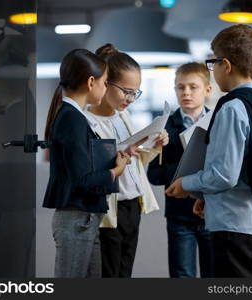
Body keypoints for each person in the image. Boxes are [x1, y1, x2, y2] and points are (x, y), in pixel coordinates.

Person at [166, 24, 252, 278]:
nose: (213, 72)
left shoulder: (232, 108)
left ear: (226, 65)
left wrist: (187, 183)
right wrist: (206, 198)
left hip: (232, 229)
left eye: (213, 64)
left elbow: (225, 174)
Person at [42, 49, 130, 278]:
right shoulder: (72, 118)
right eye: (104, 82)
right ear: (91, 82)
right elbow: (82, 179)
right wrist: (115, 171)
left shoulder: (73, 116)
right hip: (76, 219)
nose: (105, 88)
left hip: (84, 218)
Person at [85, 43, 169, 278]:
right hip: (110, 210)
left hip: (133, 205)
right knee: (109, 272)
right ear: (104, 82)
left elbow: (136, 162)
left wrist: (153, 145)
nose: (131, 98)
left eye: (135, 92)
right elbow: (95, 169)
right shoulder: (88, 120)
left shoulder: (123, 116)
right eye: (126, 91)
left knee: (125, 271)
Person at [147, 62, 214, 278]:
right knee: (181, 275)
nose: (186, 93)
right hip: (179, 216)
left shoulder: (218, 121)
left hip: (212, 213)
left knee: (213, 276)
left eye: (193, 87)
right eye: (180, 87)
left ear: (207, 90)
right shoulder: (164, 127)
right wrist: (185, 171)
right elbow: (153, 175)